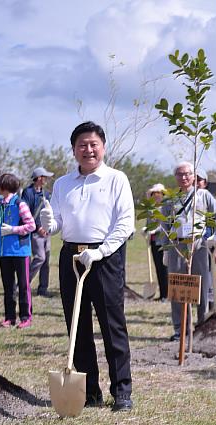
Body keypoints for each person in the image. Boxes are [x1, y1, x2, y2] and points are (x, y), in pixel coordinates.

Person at [39, 121, 135, 410]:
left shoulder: (116, 179)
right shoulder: (62, 184)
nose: (88, 150)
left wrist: (101, 251)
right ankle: (89, 391)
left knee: (111, 325)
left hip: (104, 259)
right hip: (71, 258)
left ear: (103, 147)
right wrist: (48, 223)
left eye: (93, 144)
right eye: (82, 145)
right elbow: (57, 223)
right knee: (77, 327)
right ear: (73, 150)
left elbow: (125, 224)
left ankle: (122, 392)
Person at [162, 162, 216, 342]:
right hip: (177, 247)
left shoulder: (203, 195)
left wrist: (213, 235)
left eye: (187, 174)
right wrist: (166, 248)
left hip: (198, 246)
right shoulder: (170, 200)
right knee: (177, 287)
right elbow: (164, 225)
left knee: (201, 286)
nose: (183, 177)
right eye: (179, 174)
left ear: (193, 176)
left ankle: (201, 326)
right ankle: (180, 329)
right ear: (175, 177)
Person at [0, 173, 36, 329]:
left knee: (24, 286)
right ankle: (9, 317)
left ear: (5, 186)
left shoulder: (20, 204)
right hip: (4, 252)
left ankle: (26, 317)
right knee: (8, 286)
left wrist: (13, 230)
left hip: (20, 251)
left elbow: (31, 226)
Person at [21, 166, 54, 298]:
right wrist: (37, 227)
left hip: (46, 231)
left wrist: (47, 227)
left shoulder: (45, 194)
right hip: (35, 232)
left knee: (46, 261)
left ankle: (43, 288)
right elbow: (26, 213)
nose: (46, 179)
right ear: (39, 178)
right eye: (45, 177)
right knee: (40, 258)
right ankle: (24, 284)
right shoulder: (27, 193)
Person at [145, 183, 169, 301]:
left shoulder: (165, 207)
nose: (156, 195)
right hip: (154, 242)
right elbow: (148, 223)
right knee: (158, 269)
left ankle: (167, 294)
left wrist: (155, 230)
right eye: (154, 193)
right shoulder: (151, 209)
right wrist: (146, 231)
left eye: (159, 193)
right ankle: (162, 294)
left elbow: (165, 225)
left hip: (163, 243)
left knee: (164, 269)